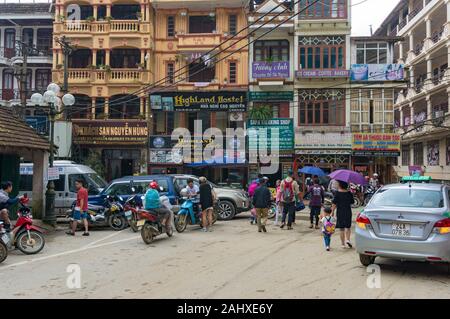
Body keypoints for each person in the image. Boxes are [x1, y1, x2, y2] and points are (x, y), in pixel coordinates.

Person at [331, 181, 354, 249]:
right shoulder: (349, 193)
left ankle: (343, 244)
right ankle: (348, 240)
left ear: (340, 185)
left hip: (340, 212)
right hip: (348, 211)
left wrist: (332, 211)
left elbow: (334, 203)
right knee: (348, 227)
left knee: (341, 228)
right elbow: (352, 202)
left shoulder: (337, 193)